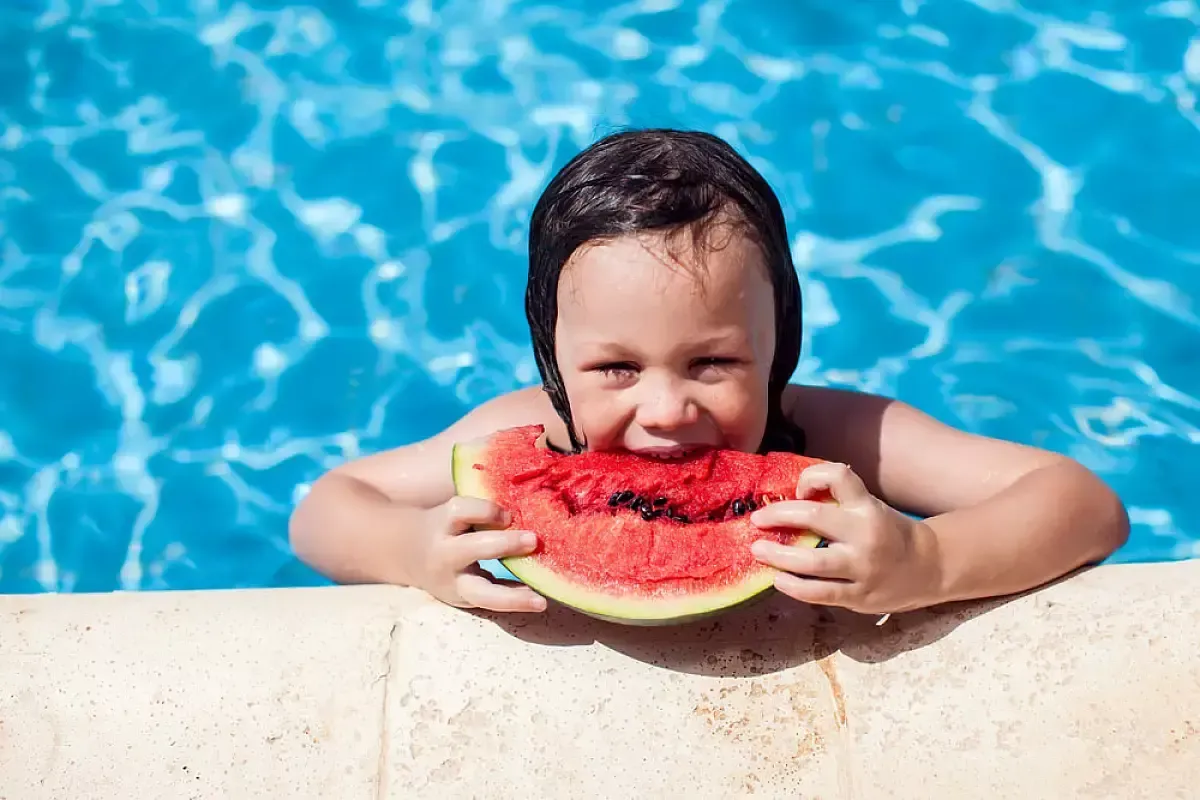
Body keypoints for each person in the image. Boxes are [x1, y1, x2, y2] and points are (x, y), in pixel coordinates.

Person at [288, 128, 1129, 617]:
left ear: (778, 345)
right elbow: (325, 508)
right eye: (615, 367)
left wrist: (929, 559)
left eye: (714, 362)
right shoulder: (518, 431)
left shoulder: (837, 435)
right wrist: (408, 547)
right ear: (553, 354)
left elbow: (1083, 503)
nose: (665, 410)